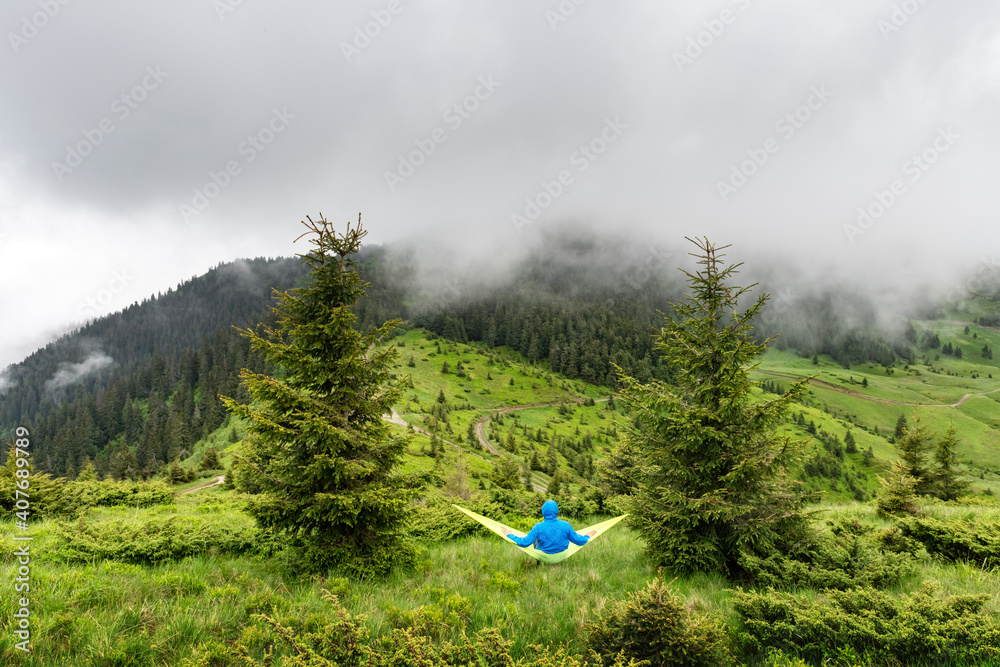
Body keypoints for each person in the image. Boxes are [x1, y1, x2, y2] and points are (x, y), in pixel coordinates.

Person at [506, 499, 591, 554]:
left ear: (544, 512)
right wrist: (587, 536)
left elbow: (525, 542)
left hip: (543, 553)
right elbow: (579, 541)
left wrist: (509, 535)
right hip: (561, 552)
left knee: (535, 538)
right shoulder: (566, 525)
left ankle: (538, 562)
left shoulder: (538, 526)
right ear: (556, 511)